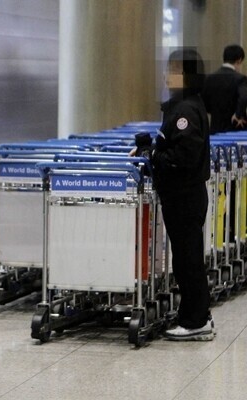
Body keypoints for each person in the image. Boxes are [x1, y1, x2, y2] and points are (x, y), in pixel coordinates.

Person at [134, 47, 213, 341]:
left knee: (188, 258)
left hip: (185, 194)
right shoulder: (184, 106)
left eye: (175, 71)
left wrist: (155, 156)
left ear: (189, 76)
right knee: (186, 257)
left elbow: (185, 155)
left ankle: (195, 320)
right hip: (183, 194)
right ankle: (195, 314)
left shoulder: (186, 111)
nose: (167, 76)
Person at [201, 44, 247, 134]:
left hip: (215, 127)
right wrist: (238, 114)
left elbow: (204, 102)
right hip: (236, 127)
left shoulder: (209, 78)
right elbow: (244, 97)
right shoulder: (240, 79)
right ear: (239, 60)